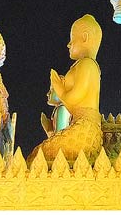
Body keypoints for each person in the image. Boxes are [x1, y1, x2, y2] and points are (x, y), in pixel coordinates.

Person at [27, 14, 102, 163]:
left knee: (38, 157)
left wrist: (58, 86)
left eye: (72, 39)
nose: (68, 44)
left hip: (86, 129)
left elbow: (74, 98)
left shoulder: (87, 64)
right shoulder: (84, 65)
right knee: (39, 157)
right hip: (80, 126)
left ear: (85, 37)